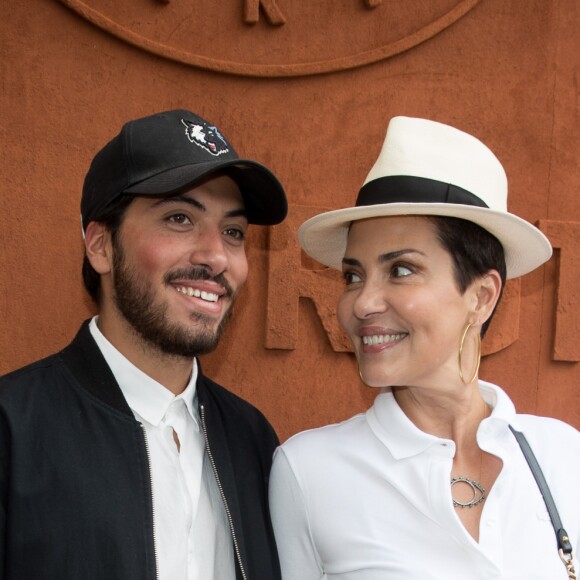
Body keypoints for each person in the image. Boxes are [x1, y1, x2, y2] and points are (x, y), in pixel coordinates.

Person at [269, 116, 580, 579]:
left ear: (481, 296)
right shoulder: (309, 471)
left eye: (401, 270)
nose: (363, 303)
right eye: (353, 276)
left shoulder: (563, 455)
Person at [0, 109, 287, 580]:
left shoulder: (251, 438)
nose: (216, 257)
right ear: (101, 246)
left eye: (233, 232)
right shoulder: (13, 431)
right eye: (179, 218)